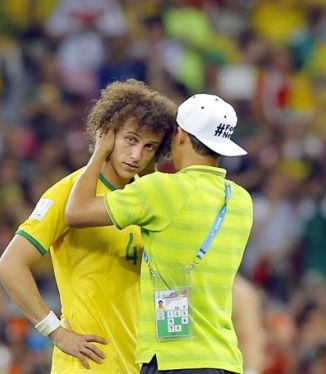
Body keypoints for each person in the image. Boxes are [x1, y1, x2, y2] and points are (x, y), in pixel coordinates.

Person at [0, 79, 177, 373]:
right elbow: (9, 266)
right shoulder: (67, 194)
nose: (136, 156)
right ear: (107, 133)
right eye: (130, 140)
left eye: (149, 147)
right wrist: (55, 332)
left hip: (138, 365)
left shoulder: (148, 199)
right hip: (85, 366)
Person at [65, 93, 254, 373]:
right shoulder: (240, 200)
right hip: (224, 359)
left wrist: (99, 153)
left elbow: (76, 212)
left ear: (179, 135)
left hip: (173, 361)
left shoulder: (162, 190)